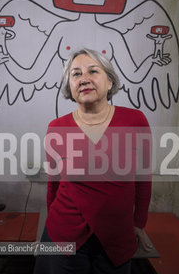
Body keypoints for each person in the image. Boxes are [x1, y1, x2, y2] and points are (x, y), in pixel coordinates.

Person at [33, 48, 152, 274]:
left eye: (93, 71)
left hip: (116, 237)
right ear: (70, 87)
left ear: (110, 82)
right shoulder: (56, 127)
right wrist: (53, 229)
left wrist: (139, 222)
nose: (84, 79)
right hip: (64, 237)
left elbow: (143, 177)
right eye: (76, 74)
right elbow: (54, 184)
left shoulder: (135, 120)